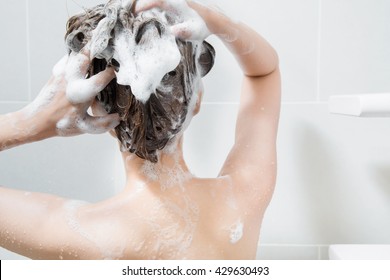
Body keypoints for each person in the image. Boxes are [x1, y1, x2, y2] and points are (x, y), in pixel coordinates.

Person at [0, 0, 280, 259]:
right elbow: (265, 72)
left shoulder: (85, 235)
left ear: (96, 108)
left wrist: (30, 122)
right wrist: (215, 19)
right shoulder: (244, 197)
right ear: (196, 100)